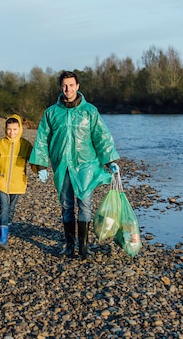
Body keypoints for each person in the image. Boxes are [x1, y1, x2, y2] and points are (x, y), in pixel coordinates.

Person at [30, 70, 120, 259]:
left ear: (78, 86)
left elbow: (101, 136)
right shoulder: (52, 113)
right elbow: (42, 139)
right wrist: (41, 165)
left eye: (71, 85)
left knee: (85, 204)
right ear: (60, 87)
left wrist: (110, 160)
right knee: (66, 205)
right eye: (64, 85)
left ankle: (84, 247)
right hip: (62, 165)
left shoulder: (90, 112)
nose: (67, 89)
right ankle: (70, 245)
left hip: (86, 165)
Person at [0, 114, 37, 249]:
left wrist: (40, 170)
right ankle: (2, 238)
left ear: (20, 129)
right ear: (5, 129)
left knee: (11, 210)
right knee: (3, 209)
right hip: (2, 181)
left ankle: (6, 230)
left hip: (18, 183)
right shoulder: (0, 143)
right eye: (9, 129)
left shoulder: (25, 145)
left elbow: (33, 162)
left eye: (15, 129)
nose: (12, 132)